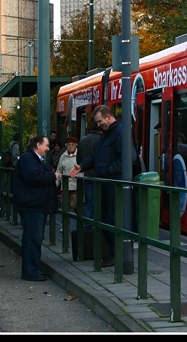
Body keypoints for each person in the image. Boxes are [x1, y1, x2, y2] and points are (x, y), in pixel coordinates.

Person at [70, 105, 138, 267]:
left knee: (111, 219)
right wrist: (82, 166)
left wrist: (109, 171)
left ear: (108, 117)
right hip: (107, 182)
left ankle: (116, 254)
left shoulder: (120, 132)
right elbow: (97, 155)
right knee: (104, 218)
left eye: (100, 121)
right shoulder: (108, 133)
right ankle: (114, 253)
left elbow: (129, 157)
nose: (99, 124)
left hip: (113, 183)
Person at [12, 134, 61, 282]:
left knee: (33, 238)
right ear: (38, 145)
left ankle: (31, 269)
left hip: (34, 204)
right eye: (46, 145)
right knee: (33, 238)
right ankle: (30, 271)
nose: (48, 148)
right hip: (33, 206)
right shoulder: (29, 159)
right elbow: (34, 177)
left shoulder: (30, 159)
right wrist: (53, 176)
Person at [77, 120, 103, 230]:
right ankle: (100, 228)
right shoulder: (101, 140)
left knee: (88, 203)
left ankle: (87, 228)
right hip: (101, 177)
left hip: (88, 176)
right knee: (101, 204)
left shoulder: (82, 141)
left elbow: (79, 160)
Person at [55, 136, 79, 211]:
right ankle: (66, 223)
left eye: (72, 144)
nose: (71, 146)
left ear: (76, 145)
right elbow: (59, 171)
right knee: (65, 208)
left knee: (77, 207)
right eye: (69, 144)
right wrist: (55, 185)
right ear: (66, 146)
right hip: (65, 186)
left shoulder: (79, 155)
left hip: (76, 186)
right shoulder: (63, 156)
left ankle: (79, 223)